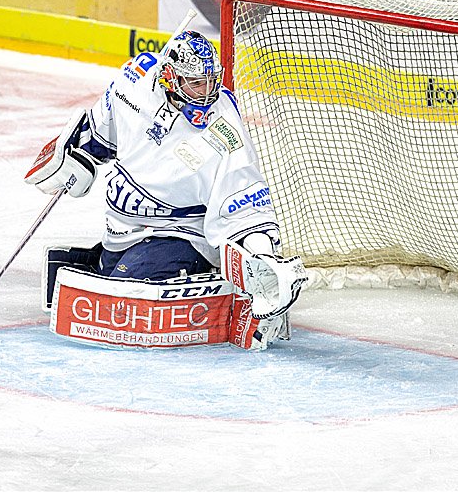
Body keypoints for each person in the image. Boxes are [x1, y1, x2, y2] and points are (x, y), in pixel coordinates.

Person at [25, 30, 304, 349]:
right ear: (170, 76)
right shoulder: (135, 79)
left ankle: (219, 281)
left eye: (211, 81)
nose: (207, 92)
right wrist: (78, 154)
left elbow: (246, 200)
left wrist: (263, 256)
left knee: (125, 298)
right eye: (196, 83)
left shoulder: (224, 128)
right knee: (108, 283)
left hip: (181, 232)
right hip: (123, 230)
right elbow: (103, 132)